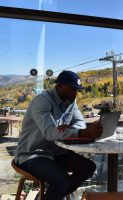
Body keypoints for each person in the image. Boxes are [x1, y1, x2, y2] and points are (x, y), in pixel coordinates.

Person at [15, 70, 103, 200]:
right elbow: (51, 133)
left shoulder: (71, 101)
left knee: (89, 168)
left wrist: (72, 129)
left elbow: (80, 123)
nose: (75, 93)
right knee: (61, 181)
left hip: (56, 153)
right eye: (72, 88)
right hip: (32, 154)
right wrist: (78, 132)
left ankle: (50, 196)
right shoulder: (42, 101)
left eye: (77, 89)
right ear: (59, 86)